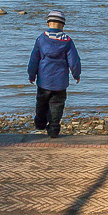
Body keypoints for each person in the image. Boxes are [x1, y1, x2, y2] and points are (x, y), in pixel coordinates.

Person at [27, 9, 81, 138]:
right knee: (57, 105)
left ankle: (40, 123)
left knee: (41, 102)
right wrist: (76, 75)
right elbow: (74, 61)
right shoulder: (67, 41)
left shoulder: (41, 39)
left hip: (44, 80)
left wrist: (31, 74)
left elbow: (34, 59)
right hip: (60, 82)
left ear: (48, 24)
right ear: (62, 25)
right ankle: (54, 130)